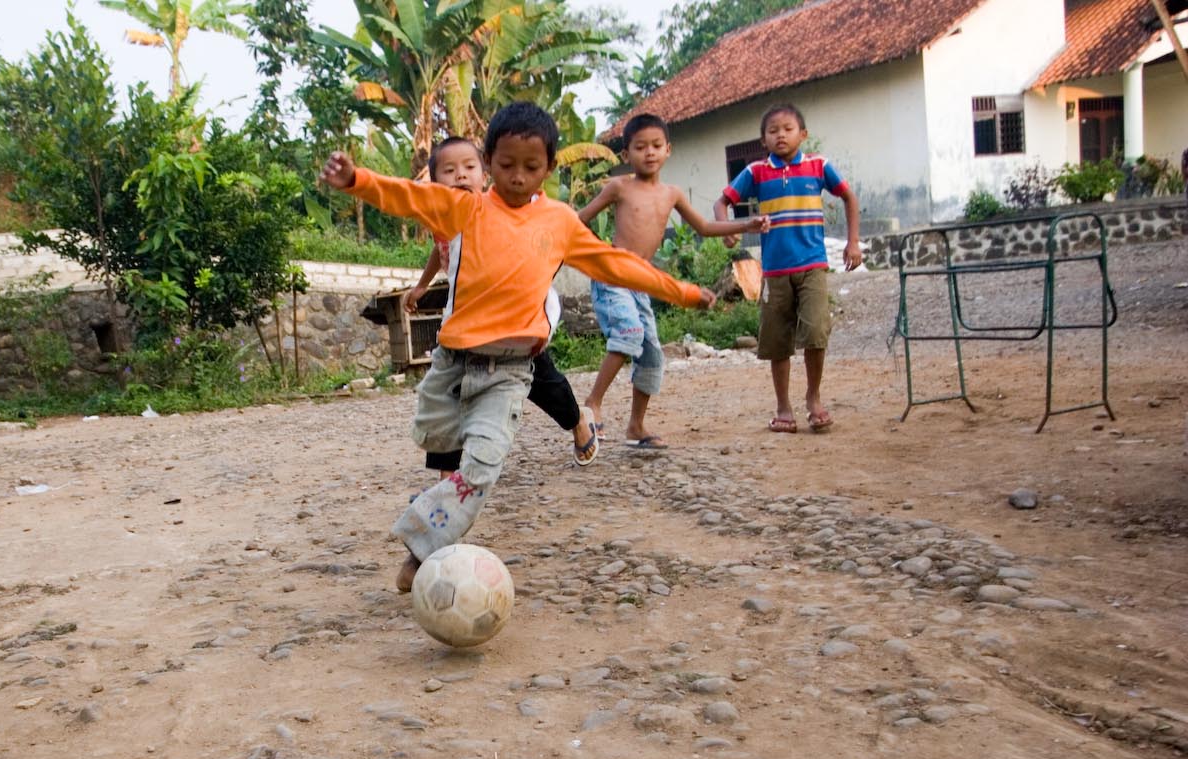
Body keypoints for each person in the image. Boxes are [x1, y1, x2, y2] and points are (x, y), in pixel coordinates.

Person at [320, 102, 715, 592]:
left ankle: (422, 549)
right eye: (506, 166)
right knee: (437, 447)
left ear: (549, 168)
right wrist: (358, 179)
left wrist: (685, 291)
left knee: (482, 466)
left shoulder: (561, 222)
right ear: (488, 162)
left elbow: (618, 265)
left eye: (532, 167)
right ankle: (437, 530)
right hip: (451, 365)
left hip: (509, 371)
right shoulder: (466, 207)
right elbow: (408, 197)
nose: (518, 177)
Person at [406, 136, 599, 470]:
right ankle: (447, 482)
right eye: (449, 170)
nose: (461, 176)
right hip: (463, 326)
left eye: (469, 168)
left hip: (515, 327)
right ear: (435, 181)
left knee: (544, 384)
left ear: (485, 175)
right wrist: (422, 286)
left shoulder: (501, 213)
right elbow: (440, 252)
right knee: (447, 392)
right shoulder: (442, 218)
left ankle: (578, 421)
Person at [577, 113, 768, 449]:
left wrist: (746, 225)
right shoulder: (618, 187)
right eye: (640, 147)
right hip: (611, 275)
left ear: (668, 150)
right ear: (626, 155)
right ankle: (593, 402)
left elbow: (705, 228)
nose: (649, 153)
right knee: (629, 333)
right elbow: (577, 221)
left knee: (651, 354)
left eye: (655, 146)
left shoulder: (672, 194)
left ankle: (636, 426)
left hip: (643, 282)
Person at [713, 101, 861, 433]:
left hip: (813, 266)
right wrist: (729, 231)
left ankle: (814, 397)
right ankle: (783, 407)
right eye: (773, 131)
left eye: (788, 129)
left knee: (816, 333)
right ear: (763, 140)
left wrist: (853, 242)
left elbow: (850, 198)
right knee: (778, 341)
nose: (781, 135)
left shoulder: (819, 167)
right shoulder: (755, 172)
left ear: (803, 134)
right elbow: (722, 202)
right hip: (776, 272)